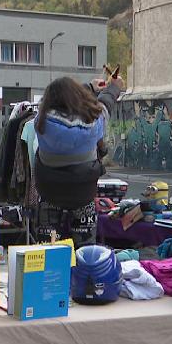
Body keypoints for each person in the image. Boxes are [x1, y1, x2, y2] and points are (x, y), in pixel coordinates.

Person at [32, 77, 109, 247]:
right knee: (85, 251)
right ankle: (84, 272)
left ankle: (49, 273)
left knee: (48, 250)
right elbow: (105, 105)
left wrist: (87, 86)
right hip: (84, 194)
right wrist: (108, 89)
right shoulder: (95, 121)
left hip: (49, 193)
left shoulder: (41, 122)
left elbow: (61, 97)